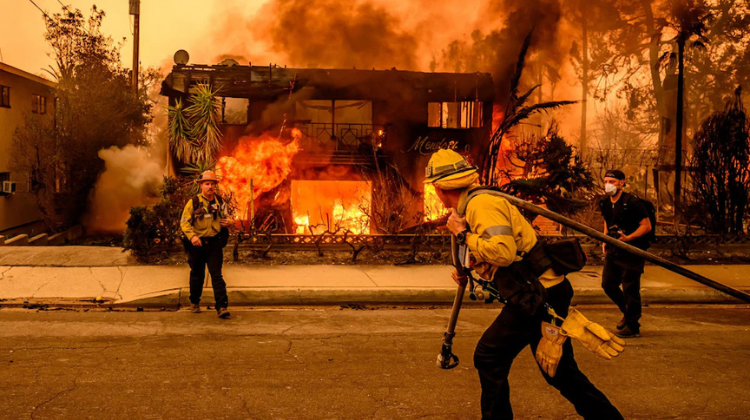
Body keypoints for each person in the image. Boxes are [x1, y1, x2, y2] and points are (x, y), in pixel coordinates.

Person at [425, 149, 623, 420]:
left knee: (489, 356)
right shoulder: (472, 205)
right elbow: (494, 251)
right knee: (559, 373)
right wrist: (467, 268)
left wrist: (462, 235)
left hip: (538, 296)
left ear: (438, 187)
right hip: (542, 293)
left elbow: (503, 253)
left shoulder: (480, 205)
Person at [599, 169, 652, 337]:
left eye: (612, 182)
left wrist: (629, 238)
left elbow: (646, 226)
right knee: (608, 285)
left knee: (630, 287)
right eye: (606, 181)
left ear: (622, 183)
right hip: (613, 250)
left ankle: (632, 324)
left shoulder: (632, 202)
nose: (608, 185)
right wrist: (604, 240)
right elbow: (607, 223)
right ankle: (628, 313)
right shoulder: (605, 203)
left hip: (633, 250)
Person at [180, 170, 233, 319]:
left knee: (217, 275)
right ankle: (195, 302)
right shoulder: (194, 202)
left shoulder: (220, 202)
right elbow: (184, 223)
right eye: (207, 184)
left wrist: (230, 222)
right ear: (201, 185)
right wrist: (192, 237)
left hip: (214, 244)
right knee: (197, 275)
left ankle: (222, 307)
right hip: (197, 245)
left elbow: (227, 217)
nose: (210, 187)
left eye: (212, 184)